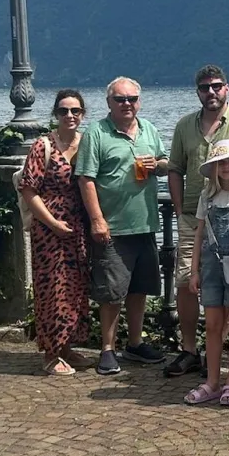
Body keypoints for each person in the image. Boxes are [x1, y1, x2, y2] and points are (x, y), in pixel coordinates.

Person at [166, 65, 229, 378]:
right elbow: (175, 168)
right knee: (185, 282)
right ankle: (190, 349)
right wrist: (179, 209)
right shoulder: (182, 126)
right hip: (194, 215)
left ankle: (219, 349)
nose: (211, 92)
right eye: (205, 88)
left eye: (216, 86)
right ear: (197, 92)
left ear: (227, 88)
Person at [75, 77, 169, 376]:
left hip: (145, 224)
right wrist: (97, 220)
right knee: (111, 292)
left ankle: (135, 343)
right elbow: (86, 179)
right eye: (120, 99)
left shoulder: (149, 129)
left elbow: (166, 161)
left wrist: (159, 165)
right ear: (109, 103)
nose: (127, 104)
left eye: (132, 98)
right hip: (113, 227)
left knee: (139, 289)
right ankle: (107, 348)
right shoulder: (96, 133)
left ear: (139, 101)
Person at [20, 89, 91, 376]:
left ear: (83, 114)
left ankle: (66, 347)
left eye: (75, 111)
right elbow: (28, 189)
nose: (70, 116)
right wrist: (52, 223)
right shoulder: (43, 146)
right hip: (49, 232)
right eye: (63, 111)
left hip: (78, 229)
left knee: (76, 290)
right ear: (55, 114)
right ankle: (50, 353)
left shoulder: (86, 143)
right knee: (52, 290)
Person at [184, 139, 229, 407]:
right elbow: (200, 233)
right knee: (213, 326)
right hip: (212, 266)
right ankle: (212, 381)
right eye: (220, 163)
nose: (225, 167)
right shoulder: (207, 196)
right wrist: (194, 270)